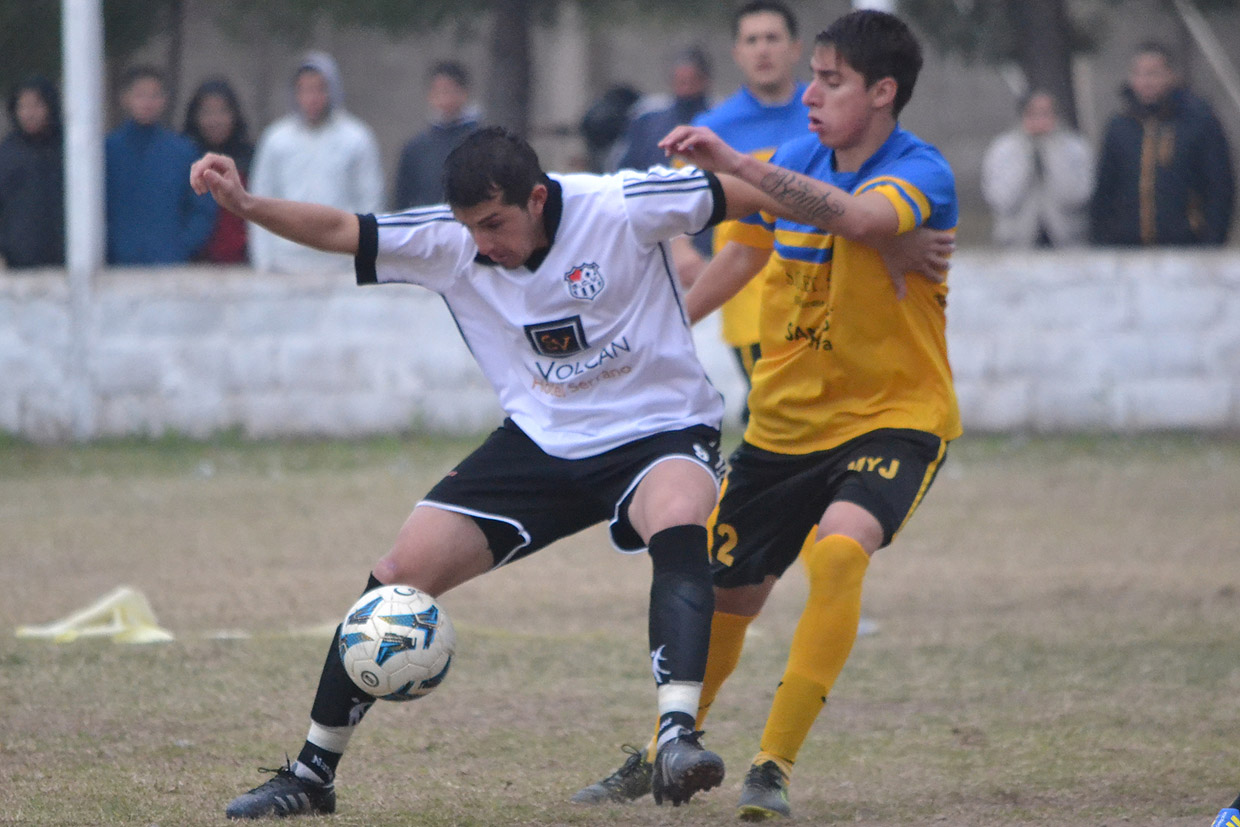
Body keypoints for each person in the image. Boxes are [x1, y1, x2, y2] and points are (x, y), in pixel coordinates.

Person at [193, 125, 834, 819]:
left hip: (660, 426)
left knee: (677, 516)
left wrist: (874, 227)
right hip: (541, 440)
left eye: (494, 223)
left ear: (536, 197)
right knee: (398, 569)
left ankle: (677, 736)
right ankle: (312, 772)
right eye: (470, 227)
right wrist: (248, 204)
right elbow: (343, 228)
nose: (483, 242)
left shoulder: (620, 205)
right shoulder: (450, 241)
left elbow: (755, 194)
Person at [573, 10, 958, 820]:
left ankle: (772, 766)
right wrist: (659, 333)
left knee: (842, 552)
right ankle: (664, 750)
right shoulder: (793, 161)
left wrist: (742, 163)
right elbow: (743, 255)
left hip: (894, 414)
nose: (812, 93)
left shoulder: (924, 170)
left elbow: (858, 217)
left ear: (883, 92)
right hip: (783, 425)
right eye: (812, 76)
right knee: (728, 598)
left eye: (832, 80)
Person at [675, 0, 809, 416]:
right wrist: (683, 254)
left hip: (826, 296)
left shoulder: (823, 115)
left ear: (795, 48)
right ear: (737, 53)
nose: (763, 49)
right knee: (782, 415)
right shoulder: (713, 128)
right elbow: (672, 209)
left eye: (772, 38)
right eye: (752, 40)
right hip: (752, 304)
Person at [248, 52, 383, 274]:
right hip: (286, 262)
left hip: (342, 262)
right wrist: (263, 261)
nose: (312, 98)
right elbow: (260, 199)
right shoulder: (276, 139)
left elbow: (370, 200)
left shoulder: (356, 138)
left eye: (319, 89)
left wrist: (366, 258)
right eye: (305, 89)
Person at [1090, 41, 1235, 246]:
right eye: (1138, 74)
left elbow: (1218, 189)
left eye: (1153, 73)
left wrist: (1212, 241)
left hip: (1186, 246)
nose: (1145, 81)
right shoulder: (1120, 127)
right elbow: (1105, 190)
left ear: (1170, 75)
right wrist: (1103, 238)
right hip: (1127, 248)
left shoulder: (1199, 123)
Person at [105, 65, 216, 265]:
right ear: (125, 99)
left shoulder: (184, 152)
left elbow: (202, 208)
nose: (147, 102)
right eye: (140, 95)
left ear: (164, 100)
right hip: (117, 265)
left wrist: (182, 247)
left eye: (155, 95)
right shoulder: (107, 151)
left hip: (170, 264)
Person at [981, 89, 1093, 247]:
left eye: (1045, 113)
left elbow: (1076, 197)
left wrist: (1052, 151)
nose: (1039, 119)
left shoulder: (1075, 148)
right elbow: (1002, 200)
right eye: (1033, 113)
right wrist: (1026, 154)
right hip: (1016, 244)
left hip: (1067, 243)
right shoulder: (1003, 149)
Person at [392, 61, 481, 209]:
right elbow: (403, 197)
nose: (443, 98)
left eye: (449, 91)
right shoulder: (415, 148)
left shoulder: (481, 142)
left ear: (464, 93)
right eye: (437, 91)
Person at [183, 78, 254, 263]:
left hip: (242, 264)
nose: (215, 120)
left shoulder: (250, 160)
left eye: (223, 111)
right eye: (207, 112)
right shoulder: (182, 159)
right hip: (191, 265)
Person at [614, 47, 713, 173]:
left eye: (692, 81)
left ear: (705, 81)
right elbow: (626, 166)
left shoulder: (719, 119)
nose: (686, 88)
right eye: (681, 81)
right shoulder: (648, 120)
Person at [0, 75, 64, 269]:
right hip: (18, 263)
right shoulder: (7, 154)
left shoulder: (68, 150)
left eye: (36, 105)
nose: (30, 113)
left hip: (65, 261)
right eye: (23, 106)